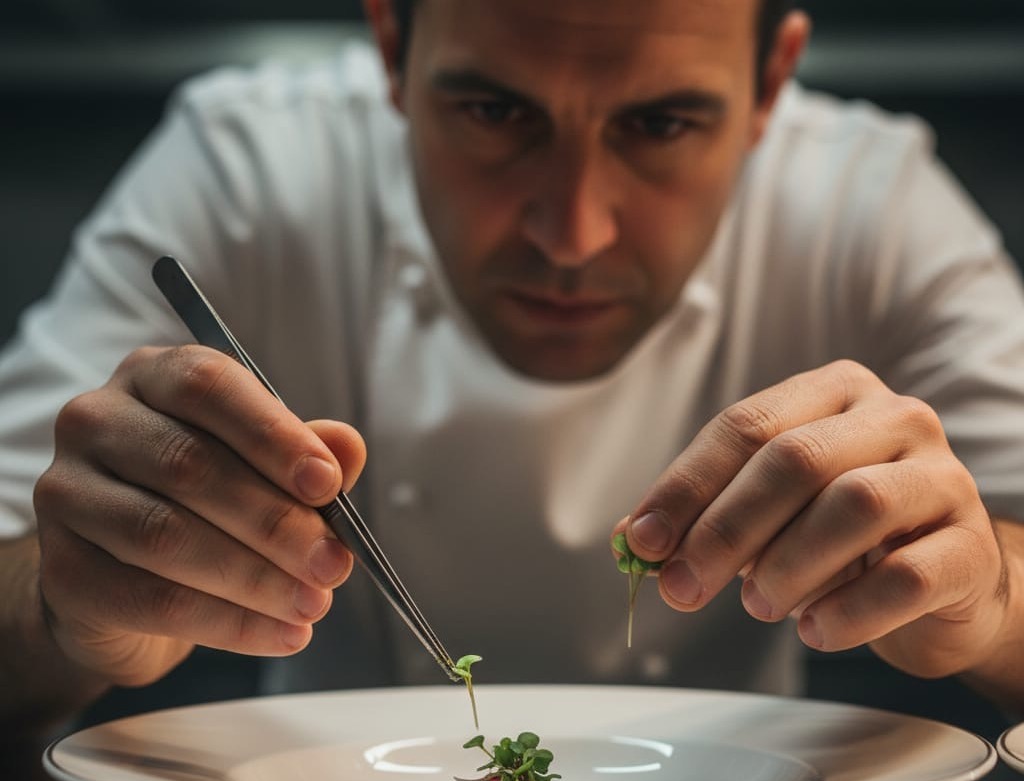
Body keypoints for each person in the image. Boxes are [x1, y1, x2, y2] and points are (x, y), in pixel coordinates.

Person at [2, 0, 1023, 736]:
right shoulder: (247, 170)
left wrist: (991, 605)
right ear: (391, 49)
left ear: (769, 83)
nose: (572, 232)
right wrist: (63, 598)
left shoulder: (869, 202)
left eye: (660, 124)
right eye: (495, 113)